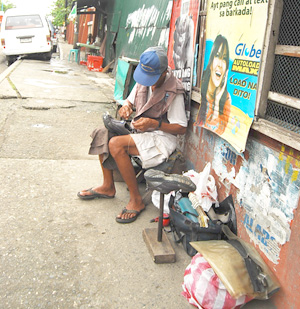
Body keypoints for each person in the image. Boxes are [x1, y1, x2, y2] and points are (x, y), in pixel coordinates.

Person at [77, 46, 187, 223]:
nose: (149, 82)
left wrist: (155, 123)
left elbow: (181, 128)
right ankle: (107, 186)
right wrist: (126, 108)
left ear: (164, 72)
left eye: (153, 78)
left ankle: (136, 200)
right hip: (142, 132)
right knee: (102, 132)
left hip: (161, 139)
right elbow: (128, 101)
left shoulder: (174, 91)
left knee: (116, 144)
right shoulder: (144, 80)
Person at [196, 34, 231, 135]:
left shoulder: (226, 99)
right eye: (217, 56)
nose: (220, 64)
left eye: (224, 59)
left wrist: (217, 102)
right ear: (210, 62)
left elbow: (218, 131)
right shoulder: (203, 87)